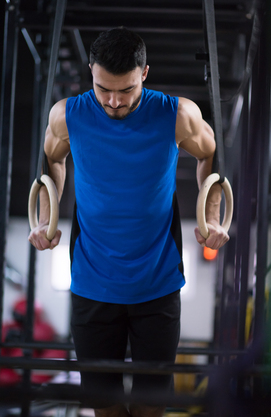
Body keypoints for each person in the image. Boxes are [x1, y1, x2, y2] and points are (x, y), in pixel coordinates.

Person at [29, 27, 229, 417]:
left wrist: (211, 214)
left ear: (145, 74)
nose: (114, 101)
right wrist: (43, 218)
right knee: (103, 406)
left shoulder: (178, 114)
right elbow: (52, 161)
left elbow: (211, 156)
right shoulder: (67, 115)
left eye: (127, 90)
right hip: (92, 281)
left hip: (157, 283)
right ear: (91, 72)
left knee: (150, 407)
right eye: (104, 88)